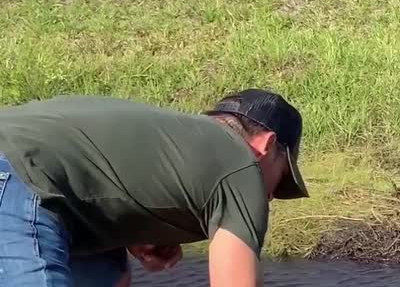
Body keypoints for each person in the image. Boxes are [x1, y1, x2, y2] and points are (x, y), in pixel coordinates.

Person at [0, 88, 309, 287]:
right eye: (279, 181)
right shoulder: (241, 163)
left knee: (108, 274)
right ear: (266, 145)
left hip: (40, 189)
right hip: (18, 176)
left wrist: (134, 231)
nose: (269, 196)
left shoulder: (174, 138)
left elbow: (91, 171)